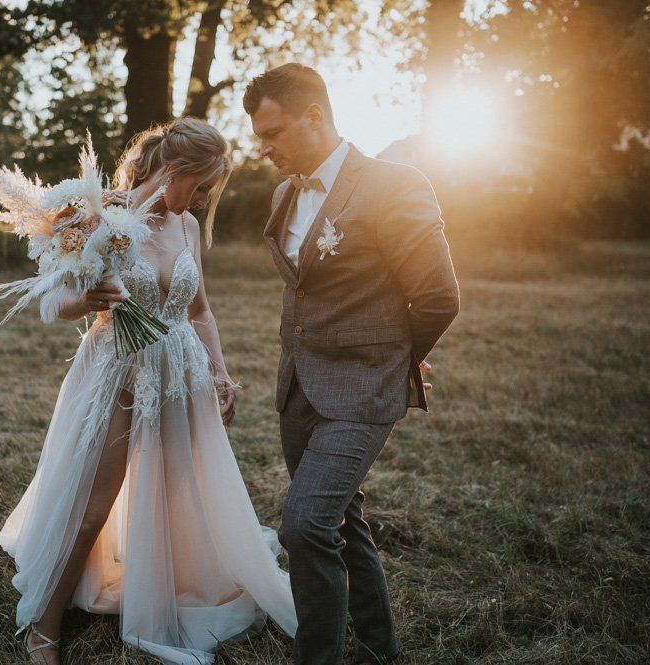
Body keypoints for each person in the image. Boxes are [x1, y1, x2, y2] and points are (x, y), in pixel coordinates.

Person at [0, 117, 297, 665]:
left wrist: (220, 373)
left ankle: (154, 584)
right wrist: (86, 303)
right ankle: (44, 625)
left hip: (179, 371)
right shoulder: (100, 216)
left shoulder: (187, 227)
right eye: (200, 186)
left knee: (175, 493)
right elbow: (54, 302)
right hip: (117, 370)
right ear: (174, 170)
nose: (202, 200)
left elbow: (199, 310)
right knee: (94, 503)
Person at [243, 63, 460, 665]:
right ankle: (378, 649)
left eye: (273, 133)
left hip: (364, 388)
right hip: (298, 388)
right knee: (341, 519)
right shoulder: (284, 194)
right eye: (260, 136)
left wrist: (396, 362)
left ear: (314, 116)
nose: (264, 148)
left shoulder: (395, 185)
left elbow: (438, 297)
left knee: (305, 524)